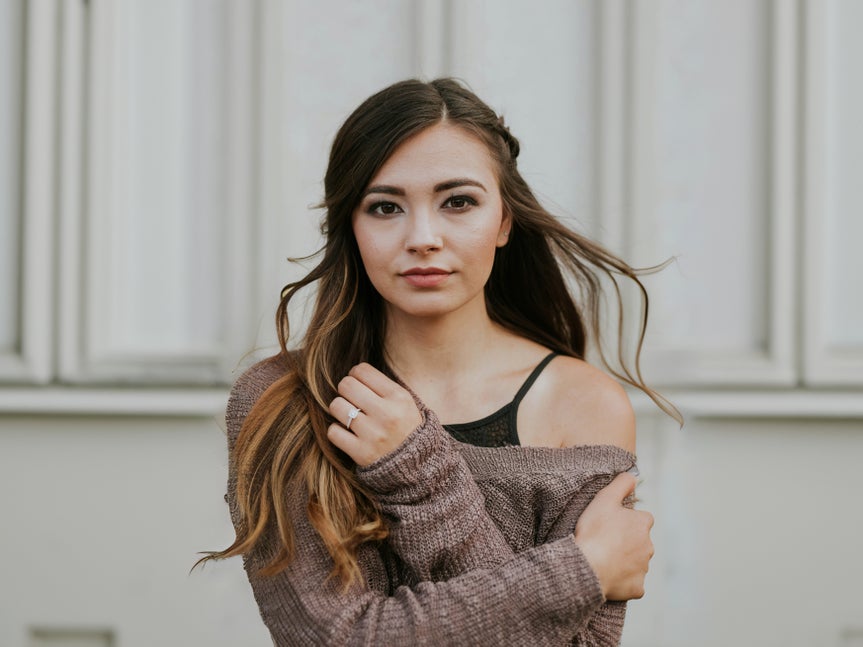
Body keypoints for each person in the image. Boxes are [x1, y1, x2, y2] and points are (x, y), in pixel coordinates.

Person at [200, 78, 680, 646]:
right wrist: (582, 572)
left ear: (503, 221)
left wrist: (417, 471)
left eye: (458, 202)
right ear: (349, 228)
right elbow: (336, 640)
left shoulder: (584, 404)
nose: (423, 237)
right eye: (385, 207)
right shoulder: (281, 400)